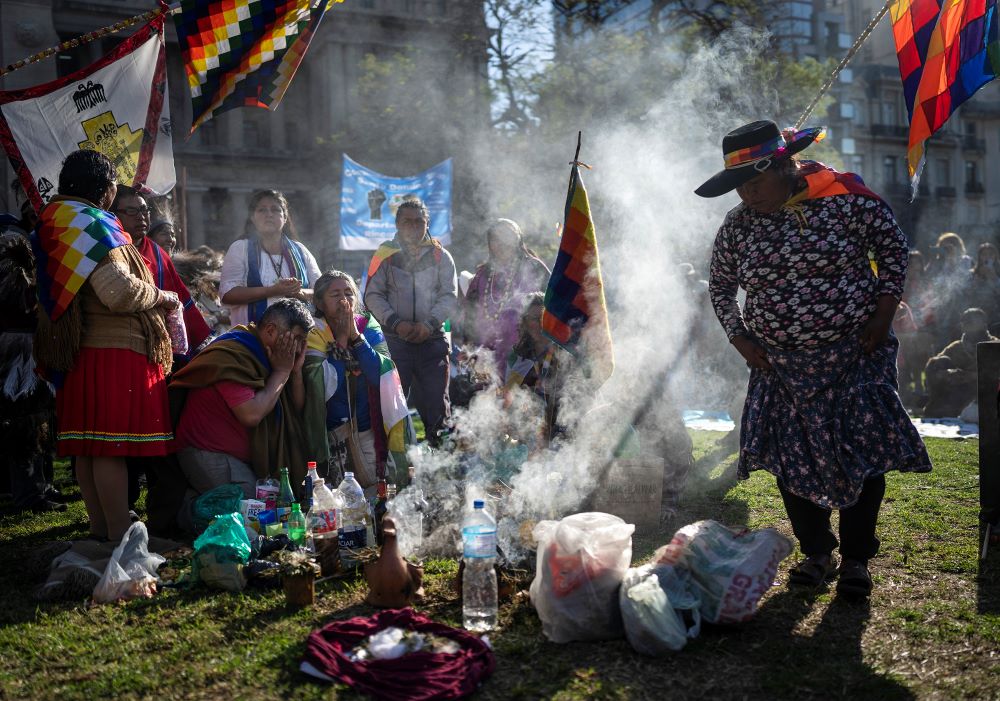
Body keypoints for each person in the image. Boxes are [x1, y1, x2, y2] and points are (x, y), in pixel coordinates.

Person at [699, 120, 931, 597]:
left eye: (756, 180)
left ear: (785, 166)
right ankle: (817, 552)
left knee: (860, 452)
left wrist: (883, 314)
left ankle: (857, 561)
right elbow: (720, 287)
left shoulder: (846, 202)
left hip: (855, 355)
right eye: (740, 185)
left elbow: (891, 252)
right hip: (779, 367)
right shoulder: (739, 226)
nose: (748, 193)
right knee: (792, 458)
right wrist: (739, 338)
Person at [32, 150, 179, 542]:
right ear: (105, 188)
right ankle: (118, 535)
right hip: (109, 353)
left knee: (89, 449)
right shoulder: (93, 224)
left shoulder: (57, 219)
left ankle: (102, 529)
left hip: (82, 352)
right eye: (114, 185)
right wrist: (162, 296)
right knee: (108, 448)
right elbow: (116, 292)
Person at [169, 299, 312, 530]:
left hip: (240, 457)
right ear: (270, 331)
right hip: (208, 452)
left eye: (302, 342)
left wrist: (294, 371)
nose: (296, 348)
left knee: (276, 513)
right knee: (254, 514)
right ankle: (185, 510)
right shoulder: (234, 354)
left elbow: (295, 408)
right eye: (294, 339)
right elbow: (251, 415)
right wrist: (283, 372)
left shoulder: (273, 356)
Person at [302, 271, 410, 494]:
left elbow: (382, 376)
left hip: (369, 430)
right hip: (332, 435)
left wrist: (356, 338)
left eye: (349, 293)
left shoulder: (367, 325)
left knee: (375, 495)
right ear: (320, 303)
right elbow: (321, 387)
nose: (344, 300)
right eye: (335, 294)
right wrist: (341, 340)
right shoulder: (314, 332)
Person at [364, 199, 458, 446]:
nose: (414, 226)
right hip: (395, 342)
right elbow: (372, 295)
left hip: (433, 342)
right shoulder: (384, 254)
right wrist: (396, 323)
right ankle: (395, 466)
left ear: (427, 223)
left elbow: (449, 295)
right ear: (397, 224)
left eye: (419, 221)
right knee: (392, 405)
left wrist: (429, 324)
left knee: (437, 403)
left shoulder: (441, 255)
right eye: (407, 221)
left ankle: (441, 466)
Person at [0, 187, 64, 513]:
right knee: (24, 422)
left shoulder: (41, 239)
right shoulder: (12, 241)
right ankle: (27, 494)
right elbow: (18, 297)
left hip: (39, 340)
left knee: (43, 419)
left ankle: (44, 487)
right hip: (18, 344)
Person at [111, 186, 211, 361]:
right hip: (119, 342)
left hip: (158, 346)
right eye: (131, 211)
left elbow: (180, 299)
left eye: (144, 210)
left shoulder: (158, 254)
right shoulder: (110, 249)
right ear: (114, 215)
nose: (141, 216)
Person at [461, 218, 549, 379]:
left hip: (528, 356)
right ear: (489, 243)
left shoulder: (535, 268)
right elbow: (470, 317)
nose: (502, 243)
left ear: (518, 240)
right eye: (496, 238)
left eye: (508, 236)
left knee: (524, 401)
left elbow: (552, 307)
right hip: (487, 358)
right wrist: (470, 350)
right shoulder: (482, 275)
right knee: (488, 402)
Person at [220, 189, 322, 327]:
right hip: (250, 339)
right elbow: (228, 295)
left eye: (275, 210)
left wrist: (299, 292)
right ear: (252, 217)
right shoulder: (240, 249)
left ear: (285, 218)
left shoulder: (301, 251)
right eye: (262, 210)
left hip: (298, 339)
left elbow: (322, 291)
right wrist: (273, 290)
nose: (269, 214)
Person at [503, 293, 569, 448]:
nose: (540, 324)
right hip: (527, 434)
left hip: (562, 431)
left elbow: (575, 393)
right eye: (534, 319)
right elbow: (510, 399)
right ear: (525, 322)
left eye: (544, 318)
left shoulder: (564, 351)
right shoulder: (517, 357)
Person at [922, 307, 996, 418]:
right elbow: (935, 365)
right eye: (966, 321)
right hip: (959, 393)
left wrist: (971, 376)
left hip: (983, 394)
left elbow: (995, 374)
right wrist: (946, 373)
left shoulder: (994, 345)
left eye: (972, 321)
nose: (968, 324)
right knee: (937, 363)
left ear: (984, 324)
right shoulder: (956, 347)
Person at [965, 243, 1000, 327]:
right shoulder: (972, 273)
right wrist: (976, 282)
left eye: (991, 254)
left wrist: (994, 278)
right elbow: (967, 294)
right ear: (979, 257)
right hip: (977, 312)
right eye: (984, 254)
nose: (987, 257)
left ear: (995, 256)